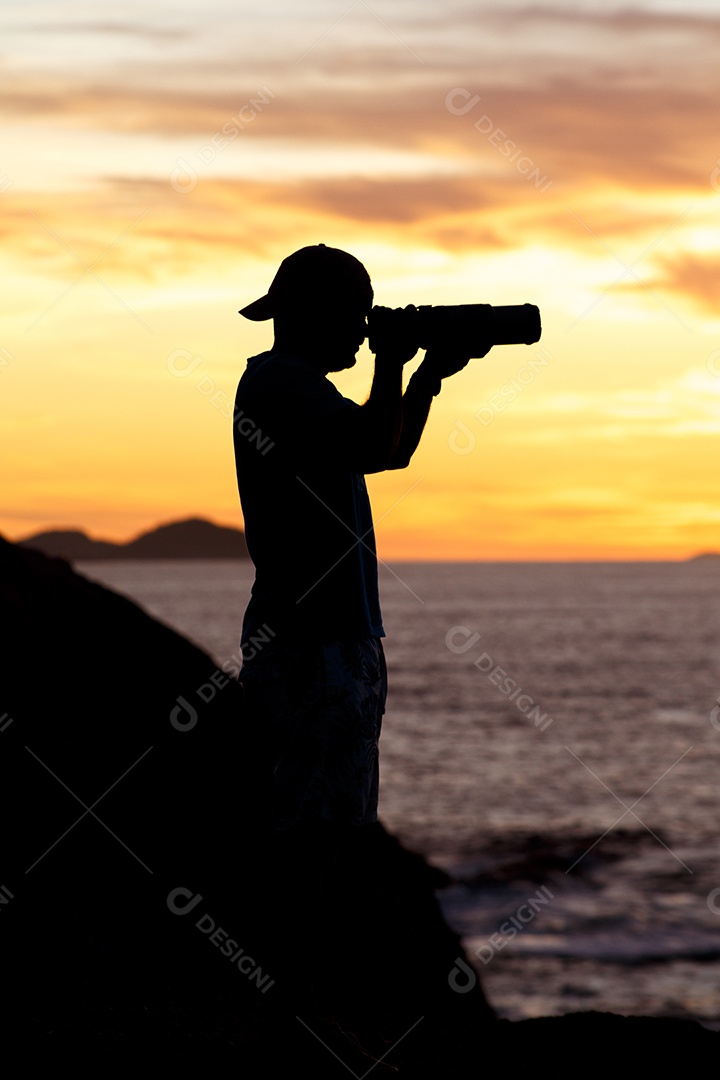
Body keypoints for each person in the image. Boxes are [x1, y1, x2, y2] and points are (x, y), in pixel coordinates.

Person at [233, 243, 488, 838]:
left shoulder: (300, 389)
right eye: (358, 313)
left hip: (329, 640)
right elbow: (375, 445)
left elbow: (387, 450)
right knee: (315, 832)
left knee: (333, 823)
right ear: (312, 314)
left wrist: (422, 380)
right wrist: (393, 362)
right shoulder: (283, 384)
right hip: (313, 644)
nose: (364, 329)